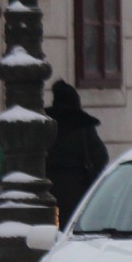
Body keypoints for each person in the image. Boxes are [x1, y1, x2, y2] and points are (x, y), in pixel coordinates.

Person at [44, 80, 109, 224]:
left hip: (47, 189)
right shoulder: (82, 125)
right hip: (77, 191)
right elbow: (101, 156)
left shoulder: (44, 124)